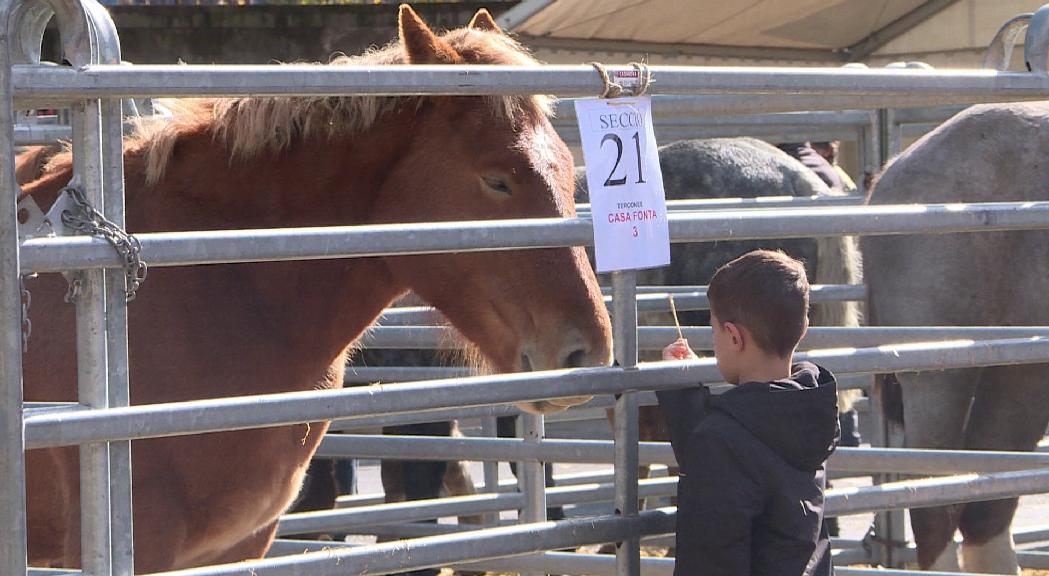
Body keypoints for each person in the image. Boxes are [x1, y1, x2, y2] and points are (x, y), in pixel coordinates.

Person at [658, 250, 840, 576]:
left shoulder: (721, 443)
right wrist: (684, 400)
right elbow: (752, 459)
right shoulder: (806, 411)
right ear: (804, 327)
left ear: (734, 336)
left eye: (714, 332)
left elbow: (709, 559)